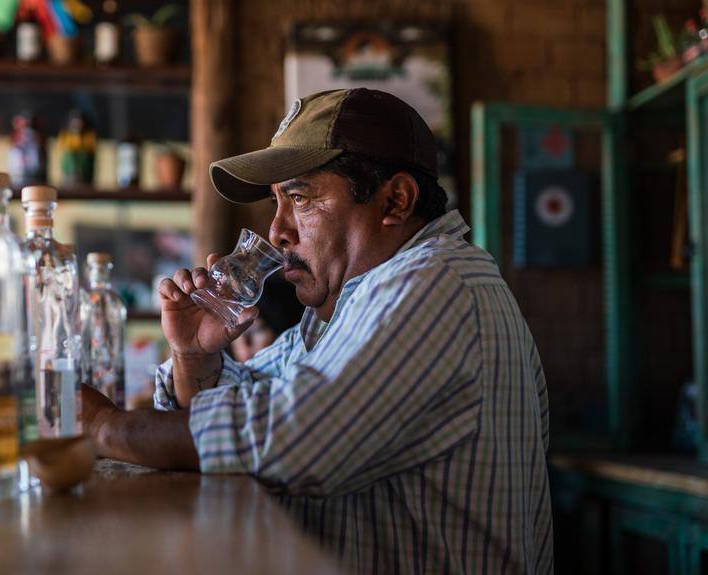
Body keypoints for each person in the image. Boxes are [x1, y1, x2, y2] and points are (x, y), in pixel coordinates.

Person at [81, 88, 552, 574]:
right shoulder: (343, 308)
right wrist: (195, 357)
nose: (278, 231)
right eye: (277, 201)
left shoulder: (435, 282)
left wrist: (100, 426)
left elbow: (288, 440)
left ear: (396, 200)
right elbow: (249, 408)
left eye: (300, 198)